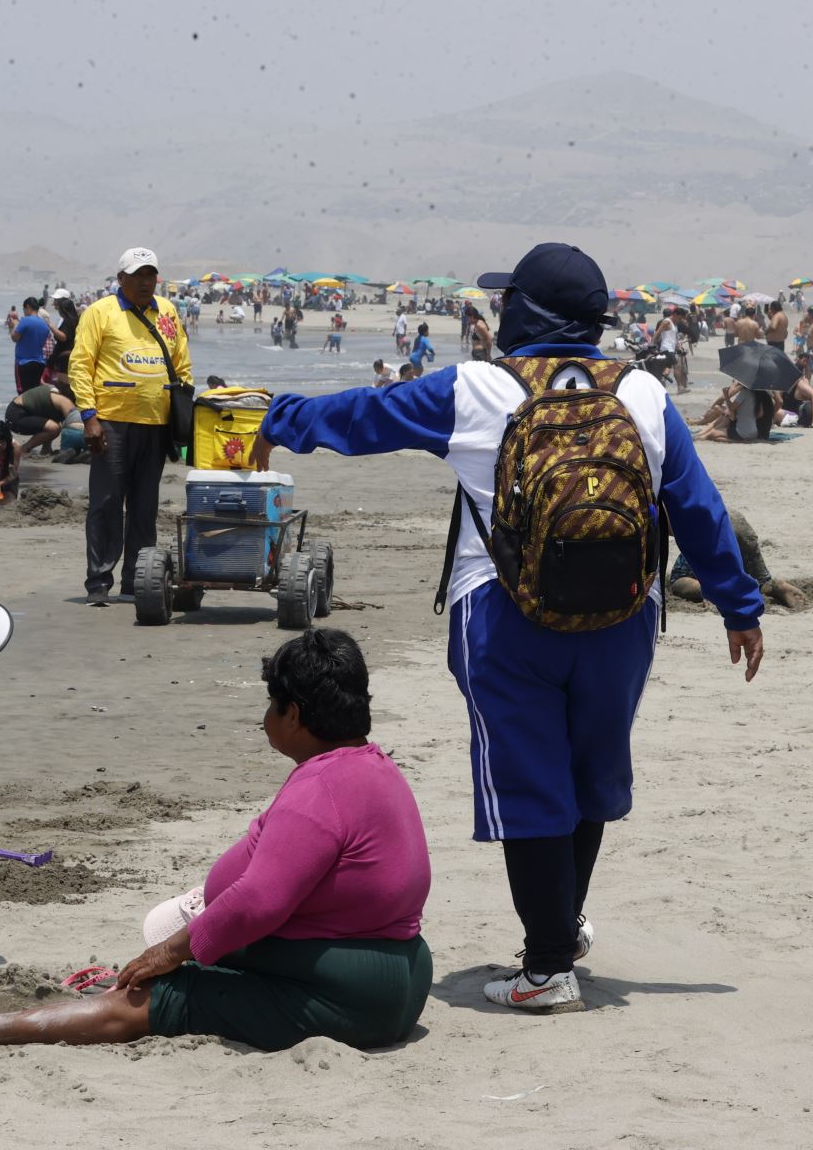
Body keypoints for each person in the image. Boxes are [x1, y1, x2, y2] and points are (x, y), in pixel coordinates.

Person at [247, 242, 764, 1015]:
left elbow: (361, 417)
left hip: (503, 613)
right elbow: (697, 508)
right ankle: (561, 932)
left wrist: (280, 418)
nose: (498, 310)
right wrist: (739, 605)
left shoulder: (478, 389)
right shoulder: (643, 393)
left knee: (528, 781)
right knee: (588, 774)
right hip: (622, 618)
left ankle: (547, 967)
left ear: (529, 311)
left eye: (507, 299)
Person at [0, 629, 432, 1052]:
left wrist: (169, 952)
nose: (265, 717)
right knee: (184, 952)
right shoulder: (375, 768)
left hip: (350, 993)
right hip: (398, 975)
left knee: (161, 996)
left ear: (293, 714)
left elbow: (257, 902)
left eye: (272, 704)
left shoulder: (320, 787)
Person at [68, 247, 192, 605]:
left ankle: (137, 581)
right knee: (106, 503)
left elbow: (181, 363)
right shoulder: (100, 312)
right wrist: (89, 416)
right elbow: (80, 365)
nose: (145, 281)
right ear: (121, 279)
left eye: (150, 274)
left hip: (156, 424)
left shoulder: (167, 311)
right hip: (112, 423)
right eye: (138, 275)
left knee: (144, 507)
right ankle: (98, 583)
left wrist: (181, 411)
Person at [667, 512, 807, 610]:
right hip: (737, 522)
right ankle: (774, 586)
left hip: (710, 527)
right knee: (760, 581)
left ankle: (710, 589)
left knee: (679, 580)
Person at [4, 382, 76, 456]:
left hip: (16, 413)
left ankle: (46, 449)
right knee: (54, 428)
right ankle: (24, 449)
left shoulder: (57, 393)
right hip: (16, 416)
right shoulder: (65, 401)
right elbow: (74, 425)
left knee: (52, 421)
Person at [10, 298, 51, 392]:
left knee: (23, 393)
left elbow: (15, 338)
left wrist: (15, 325)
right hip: (40, 363)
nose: (24, 312)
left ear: (28, 307)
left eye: (24, 309)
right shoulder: (44, 324)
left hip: (24, 362)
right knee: (34, 392)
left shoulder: (25, 320)